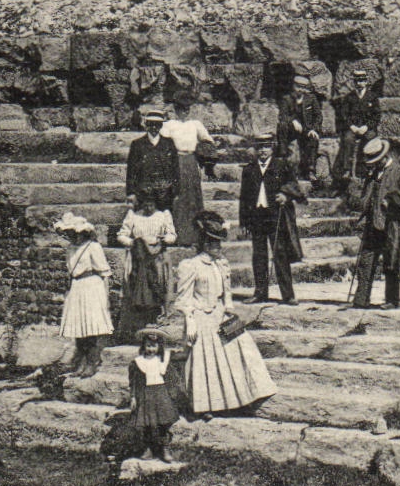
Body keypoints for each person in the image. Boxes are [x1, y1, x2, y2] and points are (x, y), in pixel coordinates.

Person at [176, 211, 278, 416]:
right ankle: (206, 406)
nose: (219, 248)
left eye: (219, 244)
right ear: (206, 245)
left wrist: (229, 310)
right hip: (201, 317)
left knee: (240, 350)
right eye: (215, 244)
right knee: (206, 362)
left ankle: (245, 396)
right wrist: (190, 319)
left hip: (220, 314)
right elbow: (183, 298)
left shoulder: (221, 264)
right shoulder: (190, 266)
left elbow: (227, 292)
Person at [348, 138, 400, 310]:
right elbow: (364, 199)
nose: (372, 165)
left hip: (392, 223)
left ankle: (391, 300)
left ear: (384, 156)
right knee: (366, 261)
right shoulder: (372, 175)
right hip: (373, 224)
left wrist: (393, 203)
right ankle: (361, 299)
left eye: (375, 161)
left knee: (391, 262)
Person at [239, 135, 304, 305]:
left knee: (280, 253)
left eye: (266, 147)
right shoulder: (249, 169)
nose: (262, 151)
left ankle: (288, 295)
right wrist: (244, 221)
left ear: (272, 148)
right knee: (258, 255)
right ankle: (260, 292)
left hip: (276, 216)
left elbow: (294, 186)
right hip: (257, 217)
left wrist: (285, 195)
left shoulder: (281, 166)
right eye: (259, 147)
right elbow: (244, 198)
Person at [55, 212, 112, 378]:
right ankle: (80, 362)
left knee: (91, 326)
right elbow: (71, 272)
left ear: (83, 232)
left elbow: (104, 272)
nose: (71, 237)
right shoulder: (70, 249)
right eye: (69, 234)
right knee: (79, 326)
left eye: (74, 233)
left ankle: (92, 362)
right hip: (77, 287)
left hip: (92, 286)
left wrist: (106, 298)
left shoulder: (93, 247)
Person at [116, 193, 177, 336]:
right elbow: (121, 235)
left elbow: (172, 235)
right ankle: (138, 325)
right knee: (138, 286)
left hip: (158, 257)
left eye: (152, 204)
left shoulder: (163, 215)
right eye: (146, 204)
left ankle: (157, 321)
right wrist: (135, 243)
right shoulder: (134, 216)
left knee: (158, 285)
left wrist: (163, 240)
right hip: (139, 257)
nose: (149, 207)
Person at [160, 94, 217, 247]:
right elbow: (162, 144)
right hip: (175, 161)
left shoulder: (195, 124)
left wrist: (204, 154)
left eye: (187, 109)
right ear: (176, 110)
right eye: (181, 109)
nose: (184, 112)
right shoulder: (169, 125)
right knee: (178, 198)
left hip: (191, 162)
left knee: (193, 197)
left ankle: (195, 236)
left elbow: (208, 141)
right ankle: (178, 235)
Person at [125, 327, 181, 462]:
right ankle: (148, 448)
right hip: (146, 395)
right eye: (148, 346)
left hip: (161, 394)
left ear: (159, 347)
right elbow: (133, 382)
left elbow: (174, 375)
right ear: (143, 346)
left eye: (154, 346)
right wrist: (133, 397)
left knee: (163, 423)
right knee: (146, 424)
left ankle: (164, 448)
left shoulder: (163, 360)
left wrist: (173, 394)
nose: (151, 349)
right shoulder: (138, 362)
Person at [125, 105, 180, 232]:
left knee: (165, 219)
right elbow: (131, 170)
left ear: (161, 126)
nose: (154, 128)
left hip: (164, 191)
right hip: (144, 190)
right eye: (151, 124)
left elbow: (175, 169)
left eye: (157, 125)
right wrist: (131, 192)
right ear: (146, 125)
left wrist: (176, 191)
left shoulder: (168, 143)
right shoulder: (137, 144)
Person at [333, 65, 381, 196]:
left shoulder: (372, 97)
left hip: (367, 128)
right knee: (348, 139)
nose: (360, 83)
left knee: (370, 138)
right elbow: (344, 115)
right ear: (354, 82)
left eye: (362, 80)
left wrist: (366, 126)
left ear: (366, 81)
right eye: (357, 81)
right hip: (353, 128)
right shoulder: (349, 97)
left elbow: (376, 116)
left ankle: (368, 168)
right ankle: (347, 169)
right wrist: (352, 126)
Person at [276, 73, 323, 184]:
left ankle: (311, 170)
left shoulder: (311, 99)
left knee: (313, 139)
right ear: (293, 86)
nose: (300, 90)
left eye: (303, 88)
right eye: (298, 87)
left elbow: (318, 116)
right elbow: (282, 115)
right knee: (282, 126)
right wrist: (293, 120)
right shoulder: (287, 99)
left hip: (307, 129)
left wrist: (314, 129)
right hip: (292, 131)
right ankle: (283, 157)